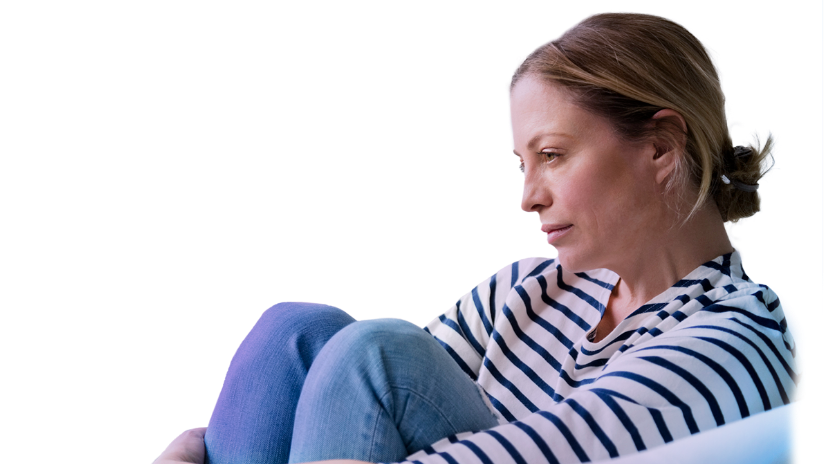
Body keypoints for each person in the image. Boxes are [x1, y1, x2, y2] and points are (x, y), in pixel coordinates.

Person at [153, 10, 803, 464]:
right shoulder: (525, 288)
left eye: (552, 155)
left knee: (379, 355)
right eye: (523, 164)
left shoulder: (736, 337)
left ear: (660, 147)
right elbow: (347, 411)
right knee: (294, 331)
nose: (528, 197)